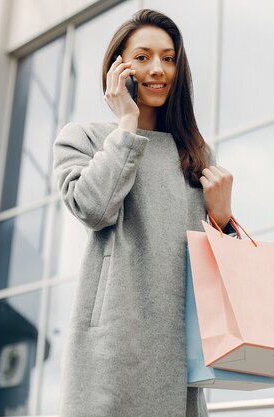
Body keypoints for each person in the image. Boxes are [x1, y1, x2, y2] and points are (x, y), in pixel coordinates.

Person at [52, 8, 236, 417]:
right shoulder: (84, 139)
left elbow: (217, 274)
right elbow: (94, 208)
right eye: (143, 57)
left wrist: (223, 221)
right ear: (118, 68)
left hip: (178, 360)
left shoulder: (196, 155)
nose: (158, 69)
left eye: (169, 58)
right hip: (111, 353)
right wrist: (127, 126)